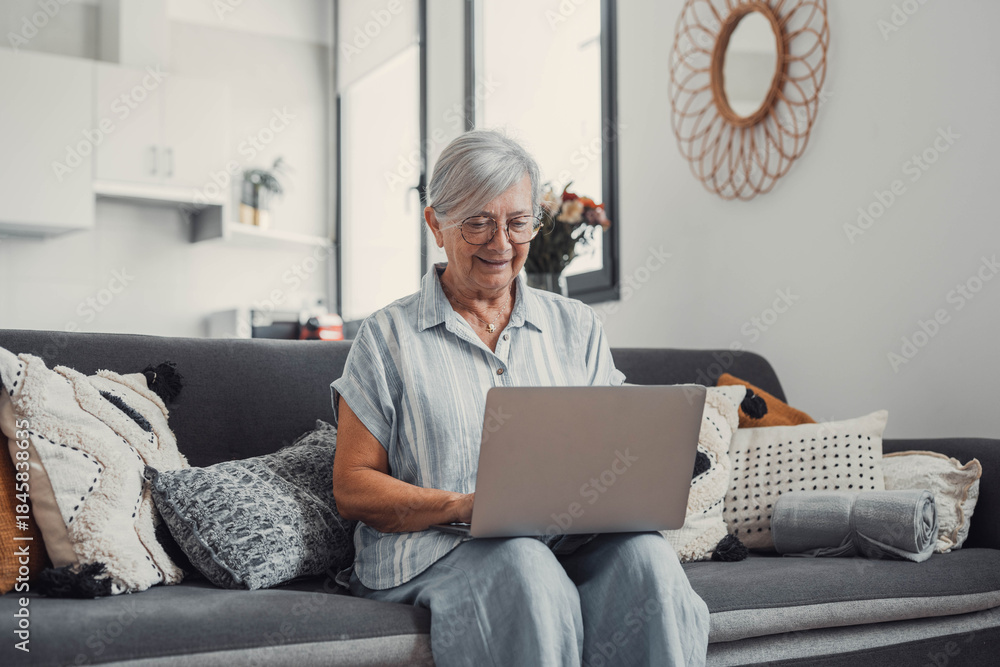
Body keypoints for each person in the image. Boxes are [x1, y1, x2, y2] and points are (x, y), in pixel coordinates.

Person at [331, 129, 710, 666]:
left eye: (517, 222)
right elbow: (352, 486)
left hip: (572, 541)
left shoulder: (576, 326)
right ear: (436, 223)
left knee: (649, 559)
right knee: (525, 565)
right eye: (478, 222)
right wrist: (461, 506)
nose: (501, 243)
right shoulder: (386, 337)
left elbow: (619, 446)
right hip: (440, 547)